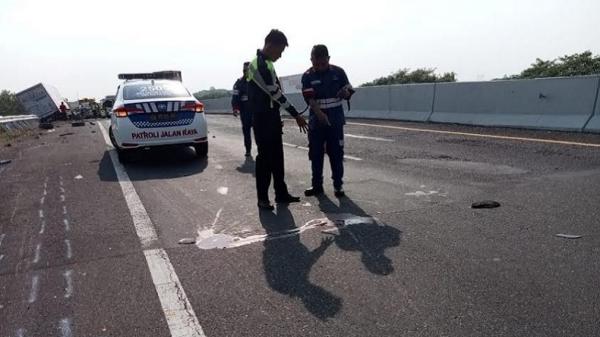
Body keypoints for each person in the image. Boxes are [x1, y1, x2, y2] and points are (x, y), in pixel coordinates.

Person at [246, 29, 308, 210]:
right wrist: (296, 114)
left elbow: (272, 97)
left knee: (278, 158)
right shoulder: (260, 65)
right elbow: (275, 94)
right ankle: (262, 198)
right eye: (280, 51)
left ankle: (281, 193)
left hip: (271, 117)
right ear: (270, 45)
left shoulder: (267, 63)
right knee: (265, 159)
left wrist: (278, 116)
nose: (280, 56)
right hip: (262, 118)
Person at [301, 45, 354, 198]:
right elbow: (310, 99)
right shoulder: (308, 76)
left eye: (323, 63)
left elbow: (349, 90)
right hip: (316, 121)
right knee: (315, 153)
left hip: (335, 120)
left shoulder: (338, 72)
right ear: (311, 60)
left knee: (336, 153)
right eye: (316, 64)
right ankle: (317, 185)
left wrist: (346, 93)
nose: (319, 67)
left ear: (328, 59)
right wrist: (319, 114)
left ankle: (338, 185)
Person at [232, 62, 253, 157]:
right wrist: (235, 108)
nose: (246, 72)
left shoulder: (257, 81)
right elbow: (235, 96)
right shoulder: (239, 82)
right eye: (244, 70)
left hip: (257, 111)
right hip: (245, 112)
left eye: (248, 70)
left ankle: (262, 151)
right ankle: (248, 150)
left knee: (259, 132)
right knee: (246, 132)